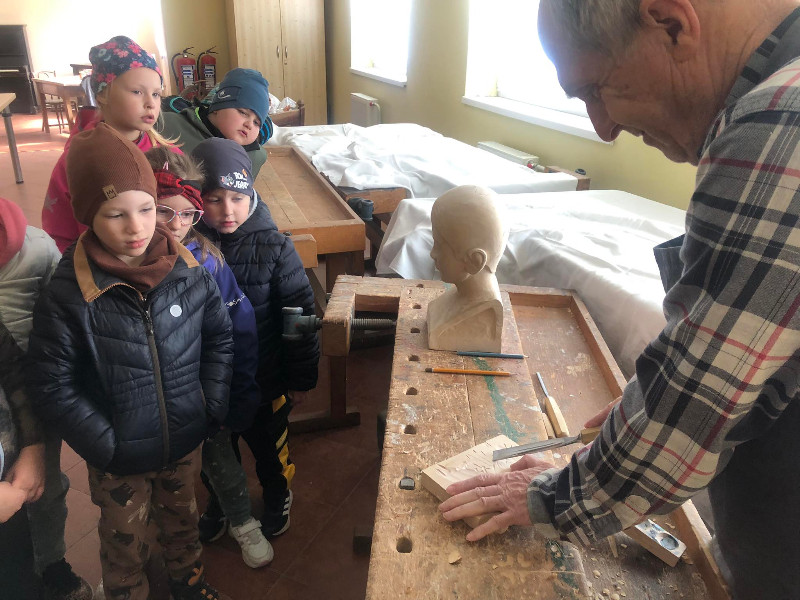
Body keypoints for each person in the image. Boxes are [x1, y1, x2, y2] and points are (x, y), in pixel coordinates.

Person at [439, 1, 800, 599]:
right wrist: (654, 402)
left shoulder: (780, 124)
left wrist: (552, 496)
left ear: (672, 23)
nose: (603, 129)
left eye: (596, 90)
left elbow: (689, 412)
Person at [27, 123, 235, 600]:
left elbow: (219, 338)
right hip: (118, 457)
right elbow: (51, 382)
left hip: (184, 437)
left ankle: (189, 585)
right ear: (87, 217)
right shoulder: (69, 291)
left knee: (183, 523)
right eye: (115, 214)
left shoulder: (187, 269)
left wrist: (210, 403)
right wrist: (105, 444)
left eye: (146, 208)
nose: (137, 227)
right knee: (125, 543)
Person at [144, 147, 274, 568]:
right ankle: (200, 520)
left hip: (202, 390)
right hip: (149, 398)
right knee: (169, 472)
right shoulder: (126, 265)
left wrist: (238, 386)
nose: (176, 224)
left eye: (187, 214)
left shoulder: (207, 260)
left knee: (220, 459)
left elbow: (240, 326)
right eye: (164, 211)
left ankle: (241, 521)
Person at [190, 137, 319, 539]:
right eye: (214, 199)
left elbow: (299, 316)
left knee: (270, 449)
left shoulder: (275, 247)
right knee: (216, 452)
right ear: (197, 199)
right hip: (209, 384)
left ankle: (278, 493)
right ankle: (222, 500)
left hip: (266, 381)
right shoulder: (186, 246)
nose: (227, 210)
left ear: (251, 195)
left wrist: (300, 378)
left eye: (237, 198)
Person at [0, 197, 93, 600]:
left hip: (32, 393)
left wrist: (35, 444)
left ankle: (51, 563)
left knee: (44, 487)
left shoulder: (36, 249)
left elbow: (65, 312)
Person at [42, 35, 174, 253]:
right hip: (96, 263)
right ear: (102, 94)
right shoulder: (77, 161)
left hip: (161, 259)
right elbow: (59, 230)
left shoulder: (167, 155)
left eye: (156, 94)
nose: (150, 103)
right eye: (137, 92)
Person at [426, 185, 508, 352]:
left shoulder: (486, 311)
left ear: (474, 262)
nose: (432, 254)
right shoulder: (449, 301)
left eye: (439, 245)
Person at [158, 68, 272, 177]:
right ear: (218, 107)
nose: (249, 125)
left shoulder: (255, 157)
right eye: (243, 112)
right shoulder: (166, 125)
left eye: (256, 123)